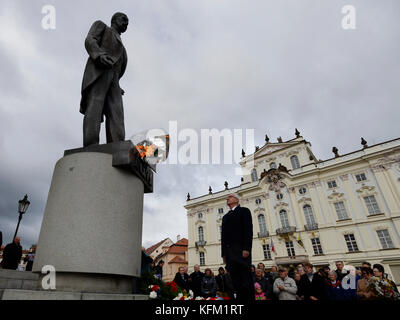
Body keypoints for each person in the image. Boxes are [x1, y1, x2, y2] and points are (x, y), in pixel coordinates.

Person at [80, 12, 129, 147]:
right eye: (123, 19)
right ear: (114, 20)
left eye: (128, 22)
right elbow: (90, 40)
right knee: (95, 106)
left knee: (117, 113)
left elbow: (120, 66)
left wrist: (117, 83)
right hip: (100, 72)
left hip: (114, 80)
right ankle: (91, 145)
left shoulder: (122, 48)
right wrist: (99, 55)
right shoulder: (102, 26)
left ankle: (116, 146)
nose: (126, 23)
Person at [221, 193, 254, 301]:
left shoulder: (244, 211)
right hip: (230, 254)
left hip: (241, 251)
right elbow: (223, 236)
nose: (227, 198)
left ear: (236, 199)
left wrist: (247, 248)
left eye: (229, 197)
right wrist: (223, 254)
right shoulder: (225, 217)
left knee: (246, 282)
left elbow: (248, 230)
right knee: (236, 283)